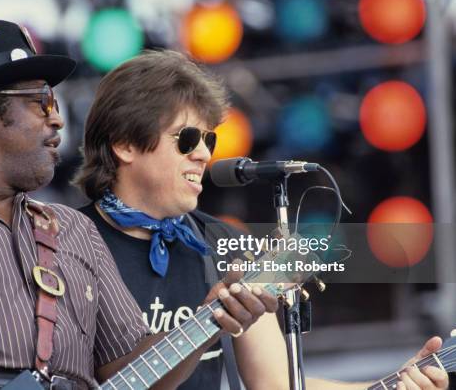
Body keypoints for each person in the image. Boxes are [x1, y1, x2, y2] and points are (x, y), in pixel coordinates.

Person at [0, 21, 278, 390]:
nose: (57, 118)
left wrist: (208, 321)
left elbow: (132, 371)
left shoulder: (72, 230)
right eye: (41, 102)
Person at [73, 49, 450, 390]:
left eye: (209, 140)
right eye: (186, 138)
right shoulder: (66, 243)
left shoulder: (221, 243)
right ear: (124, 144)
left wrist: (395, 384)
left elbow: (277, 385)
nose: (203, 154)